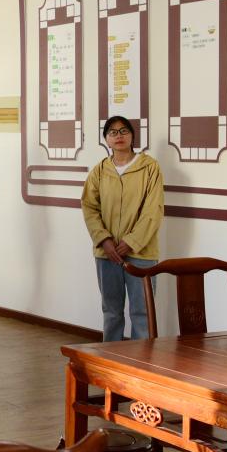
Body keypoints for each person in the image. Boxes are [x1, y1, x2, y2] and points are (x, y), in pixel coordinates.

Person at [81, 116, 164, 341]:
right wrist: (104, 240)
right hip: (107, 254)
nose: (119, 136)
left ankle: (141, 360)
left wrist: (132, 242)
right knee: (111, 312)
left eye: (124, 131)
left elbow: (153, 210)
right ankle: (110, 358)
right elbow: (89, 207)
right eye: (113, 132)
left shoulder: (150, 168)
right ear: (106, 139)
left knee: (142, 313)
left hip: (141, 253)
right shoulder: (99, 171)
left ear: (132, 135)